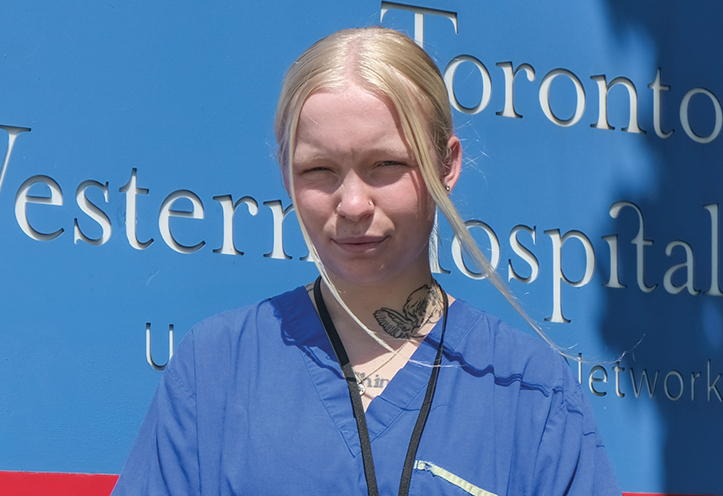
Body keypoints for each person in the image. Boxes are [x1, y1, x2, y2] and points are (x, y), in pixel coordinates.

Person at [112, 27, 621, 495]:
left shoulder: (530, 390)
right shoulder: (214, 372)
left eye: (386, 165)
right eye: (319, 169)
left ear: (448, 164)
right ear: (287, 176)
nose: (353, 204)